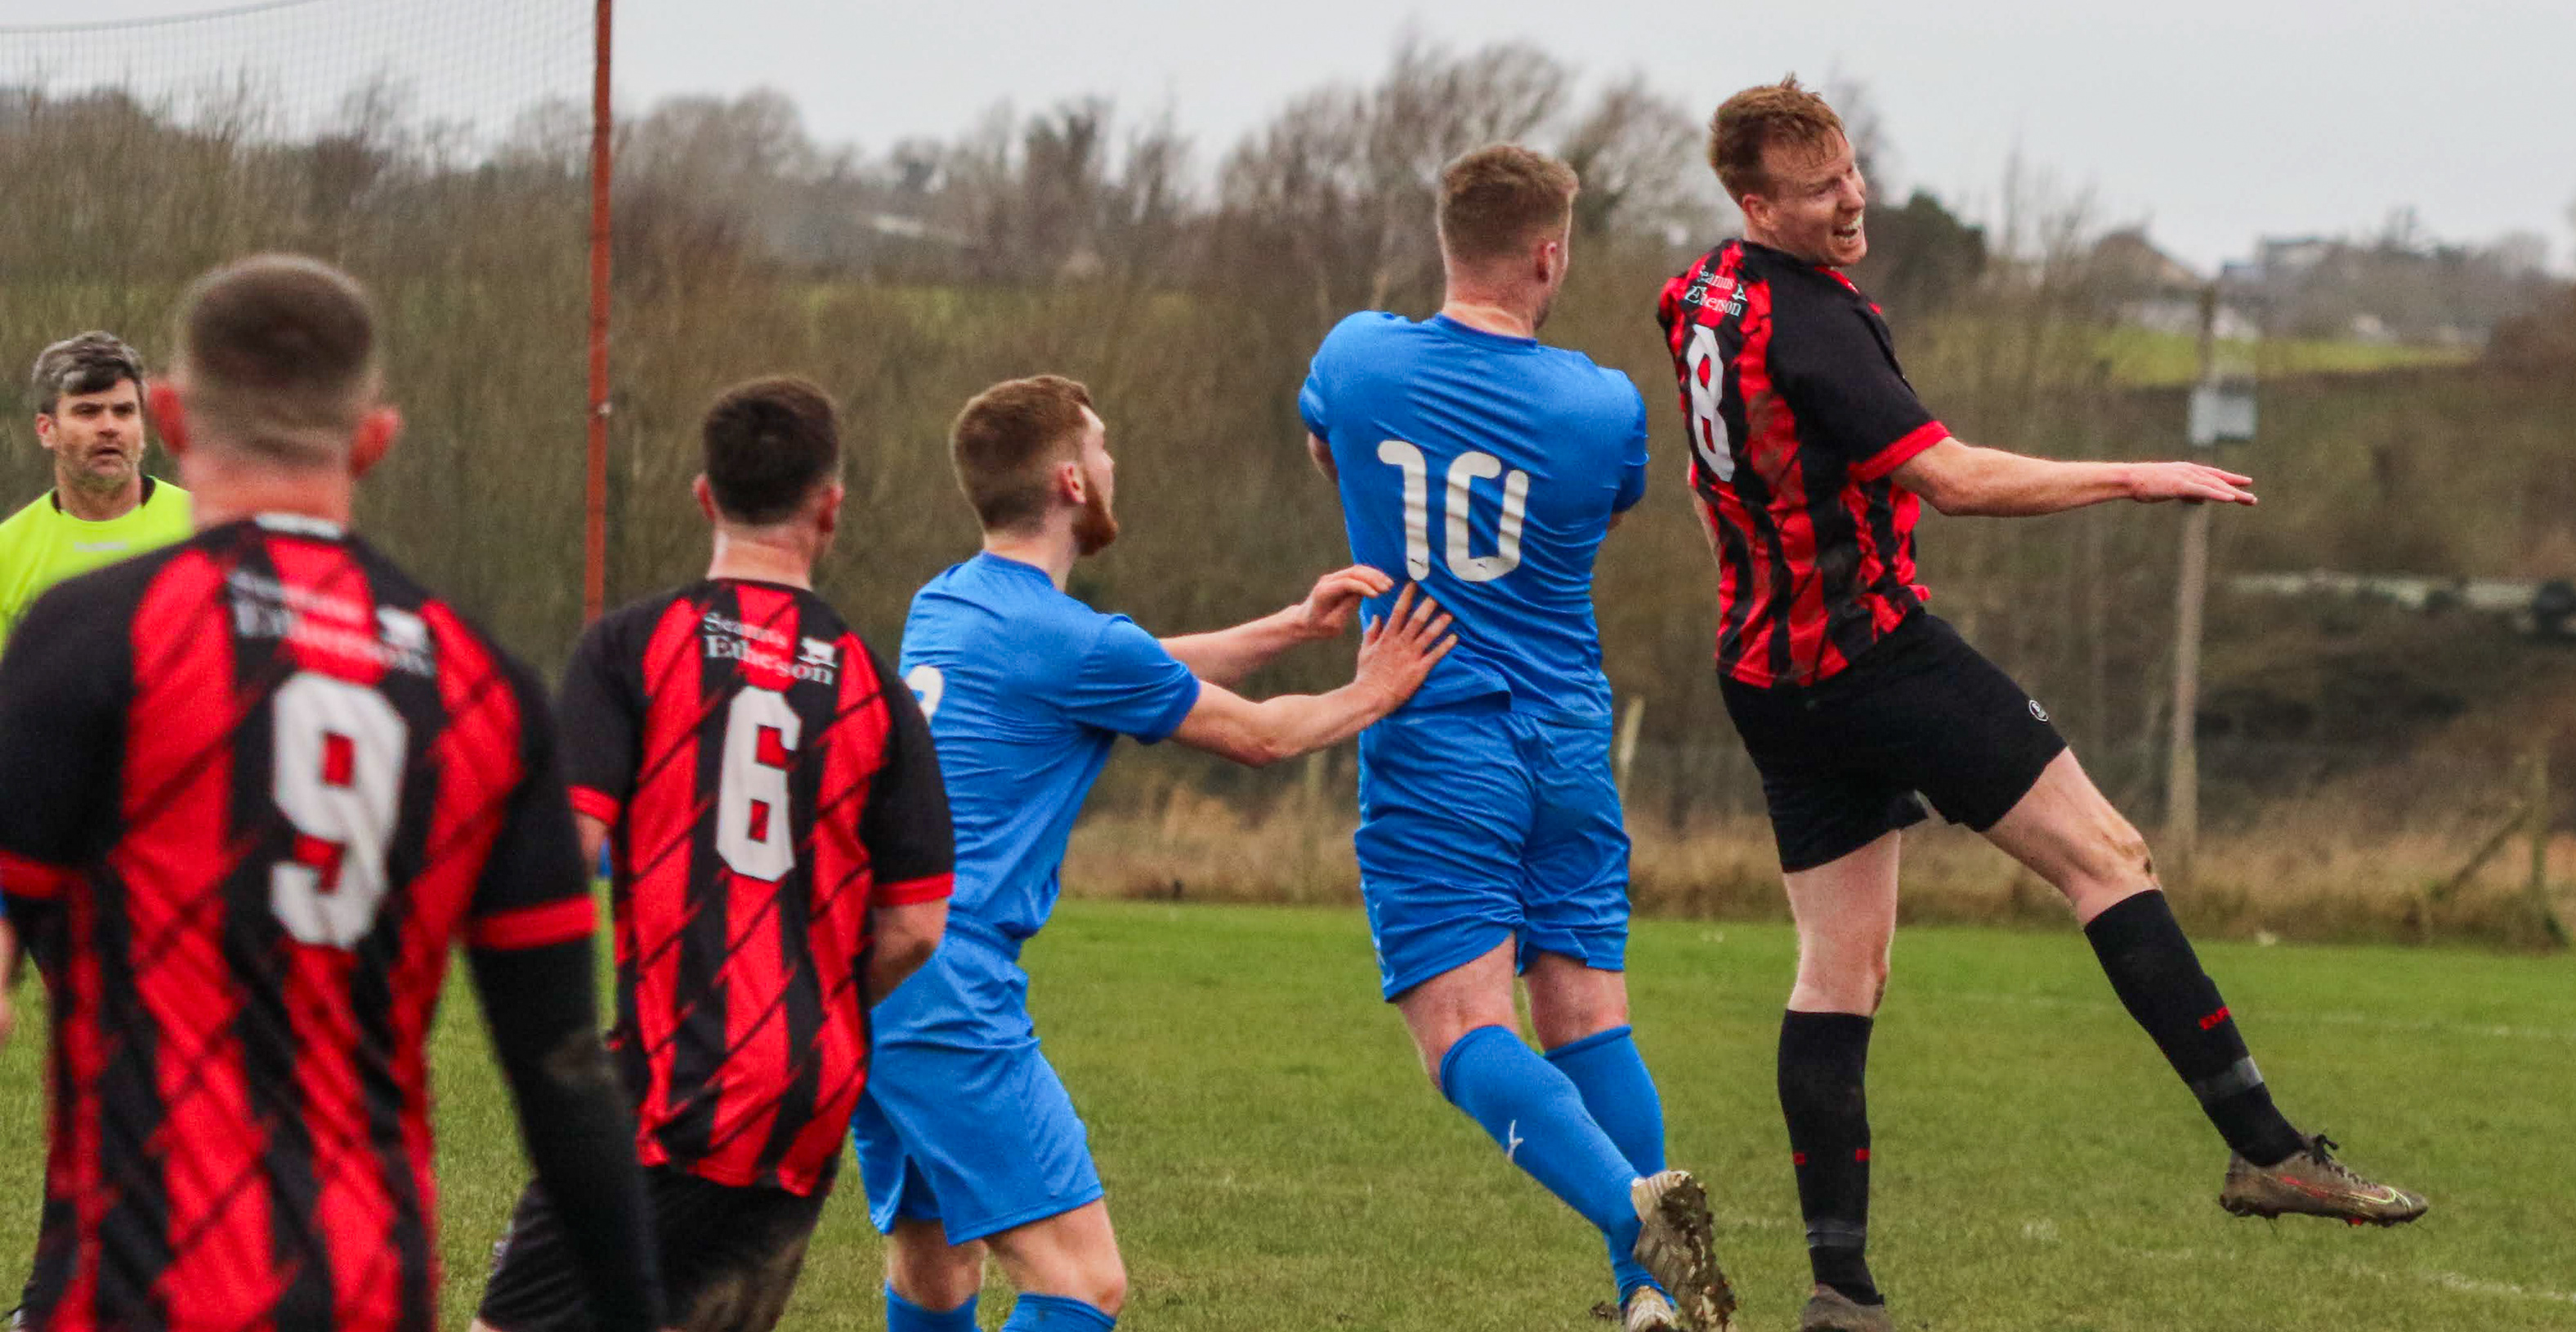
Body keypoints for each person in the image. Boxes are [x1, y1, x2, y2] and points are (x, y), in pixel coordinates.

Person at [1656, 81, 2428, 1332]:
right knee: (2108, 859)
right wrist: (2136, 474)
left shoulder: (1698, 296)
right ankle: (2267, 1150)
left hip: (1763, 678)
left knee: (1840, 970)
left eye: (1851, 170)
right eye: (1819, 189)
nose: (1852, 200)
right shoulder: (1816, 323)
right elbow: (1953, 480)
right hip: (1873, 657)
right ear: (1755, 204)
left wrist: (1759, 577)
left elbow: (1709, 483)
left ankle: (1841, 1289)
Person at [0, 254, 661, 1332]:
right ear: (374, 439)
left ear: (171, 416)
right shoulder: (481, 684)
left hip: (131, 1286)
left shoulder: (87, 634)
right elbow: (564, 1072)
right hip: (363, 1287)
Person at [857, 373, 1457, 1332]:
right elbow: (1260, 736)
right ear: (1069, 482)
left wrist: (1292, 626)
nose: (1111, 463)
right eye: (1100, 447)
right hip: (947, 974)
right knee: (1081, 1281)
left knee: (936, 1253)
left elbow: (1129, 665)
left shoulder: (951, 601)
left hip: (868, 959)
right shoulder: (1067, 640)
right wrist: (1374, 692)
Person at [1300, 144, 1734, 1332]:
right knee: (1589, 1014)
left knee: (1462, 1030)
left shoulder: (1357, 356)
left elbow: (1328, 447)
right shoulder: (1603, 403)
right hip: (1567, 737)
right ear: (1549, 255)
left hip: (1436, 729)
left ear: (1448, 242)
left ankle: (1639, 1224)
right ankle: (1651, 1302)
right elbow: (1606, 507)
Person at [475, 377, 955, 1332]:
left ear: (704, 496)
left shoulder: (631, 647)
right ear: (830, 507)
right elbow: (914, 927)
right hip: (807, 1098)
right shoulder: (876, 686)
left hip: (667, 1087)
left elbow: (564, 851)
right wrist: (806, 997)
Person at [0, 332, 195, 638]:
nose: (109, 427)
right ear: (46, 430)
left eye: (124, 411)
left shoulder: (205, 528)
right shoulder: (8, 551)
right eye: (87, 412)